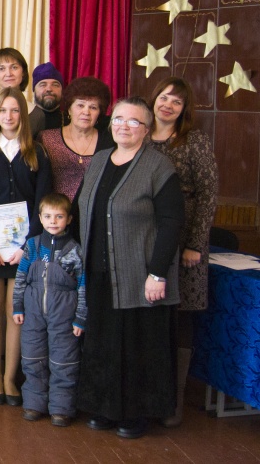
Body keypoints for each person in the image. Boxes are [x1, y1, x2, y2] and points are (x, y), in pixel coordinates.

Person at [76, 97, 185, 440]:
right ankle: (104, 408)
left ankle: (135, 414)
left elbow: (172, 223)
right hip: (98, 272)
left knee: (136, 347)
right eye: (119, 119)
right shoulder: (99, 160)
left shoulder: (158, 166)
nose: (124, 126)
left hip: (139, 274)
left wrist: (158, 273)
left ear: (146, 129)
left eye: (134, 121)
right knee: (102, 344)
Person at [0, 87, 52, 407]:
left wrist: (28, 247)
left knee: (14, 311)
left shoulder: (37, 153)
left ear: (23, 115)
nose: (8, 116)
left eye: (15, 110)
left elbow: (42, 203)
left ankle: (9, 379)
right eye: (3, 110)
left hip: (23, 250)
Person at [148, 77, 218, 427]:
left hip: (185, 243)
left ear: (184, 109)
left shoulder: (194, 141)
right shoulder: (139, 136)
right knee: (150, 319)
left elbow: (208, 195)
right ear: (154, 100)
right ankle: (149, 396)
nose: (168, 105)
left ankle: (173, 402)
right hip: (146, 241)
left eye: (177, 101)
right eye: (164, 98)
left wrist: (194, 244)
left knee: (180, 320)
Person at [12, 193, 86, 427]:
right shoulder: (32, 246)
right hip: (33, 313)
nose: (53, 221)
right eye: (48, 216)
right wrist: (17, 306)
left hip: (64, 314)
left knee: (64, 360)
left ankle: (61, 408)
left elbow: (83, 285)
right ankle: (34, 403)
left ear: (69, 219)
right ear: (40, 218)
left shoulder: (75, 250)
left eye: (59, 216)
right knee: (32, 357)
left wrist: (81, 317)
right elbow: (21, 278)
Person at [37, 77, 113, 200]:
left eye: (93, 107)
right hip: (54, 210)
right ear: (69, 109)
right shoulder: (46, 139)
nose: (86, 112)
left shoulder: (109, 142)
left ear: (99, 113)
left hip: (92, 210)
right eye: (80, 105)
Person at [32, 63, 64, 131]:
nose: (49, 89)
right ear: (34, 89)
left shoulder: (73, 120)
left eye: (55, 85)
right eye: (43, 85)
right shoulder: (24, 118)